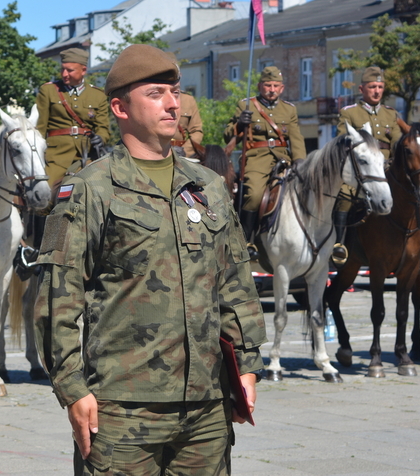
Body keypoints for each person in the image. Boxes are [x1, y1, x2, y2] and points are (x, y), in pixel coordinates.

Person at [35, 44, 266, 475]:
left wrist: (248, 365)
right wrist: (72, 390)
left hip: (206, 406)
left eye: (175, 92)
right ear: (120, 108)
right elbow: (57, 299)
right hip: (122, 408)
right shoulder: (91, 188)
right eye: (156, 93)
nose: (173, 103)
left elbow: (236, 283)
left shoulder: (209, 186)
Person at [225, 66, 306, 259]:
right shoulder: (246, 105)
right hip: (256, 157)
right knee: (253, 194)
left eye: (275, 86)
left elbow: (296, 138)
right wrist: (240, 124)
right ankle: (246, 239)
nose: (271, 89)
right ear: (260, 86)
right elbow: (227, 134)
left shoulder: (289, 109)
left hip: (282, 157)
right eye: (267, 85)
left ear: (282, 88)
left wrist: (301, 161)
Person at [332, 66, 404, 265]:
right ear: (362, 89)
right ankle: (340, 246)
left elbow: (398, 145)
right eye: (372, 86)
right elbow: (341, 142)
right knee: (345, 196)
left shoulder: (391, 114)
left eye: (380, 87)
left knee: (410, 197)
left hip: (386, 170)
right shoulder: (349, 113)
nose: (377, 91)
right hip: (360, 171)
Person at [36, 48, 110, 188]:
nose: (64, 74)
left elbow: (103, 128)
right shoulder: (49, 91)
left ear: (83, 70)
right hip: (56, 156)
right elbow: (40, 128)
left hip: (88, 154)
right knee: (44, 193)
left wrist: (100, 138)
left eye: (70, 70)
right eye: (63, 69)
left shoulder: (98, 95)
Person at [173, 91, 204, 158]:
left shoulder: (187, 99)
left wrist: (184, 151)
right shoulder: (149, 97)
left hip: (180, 154)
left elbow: (196, 131)